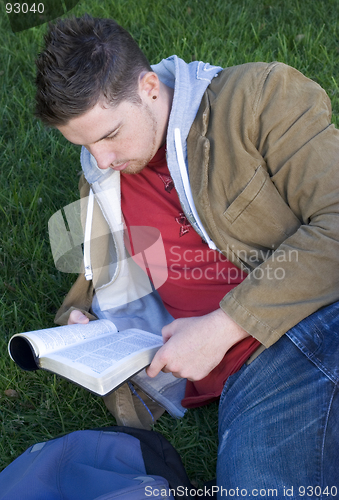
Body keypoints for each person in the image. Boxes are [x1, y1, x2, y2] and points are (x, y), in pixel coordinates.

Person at [35, 14, 339, 494]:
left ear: (150, 87)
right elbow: (104, 279)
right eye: (84, 144)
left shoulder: (259, 97)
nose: (100, 159)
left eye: (109, 135)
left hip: (312, 316)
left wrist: (223, 327)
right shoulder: (102, 174)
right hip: (250, 368)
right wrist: (88, 326)